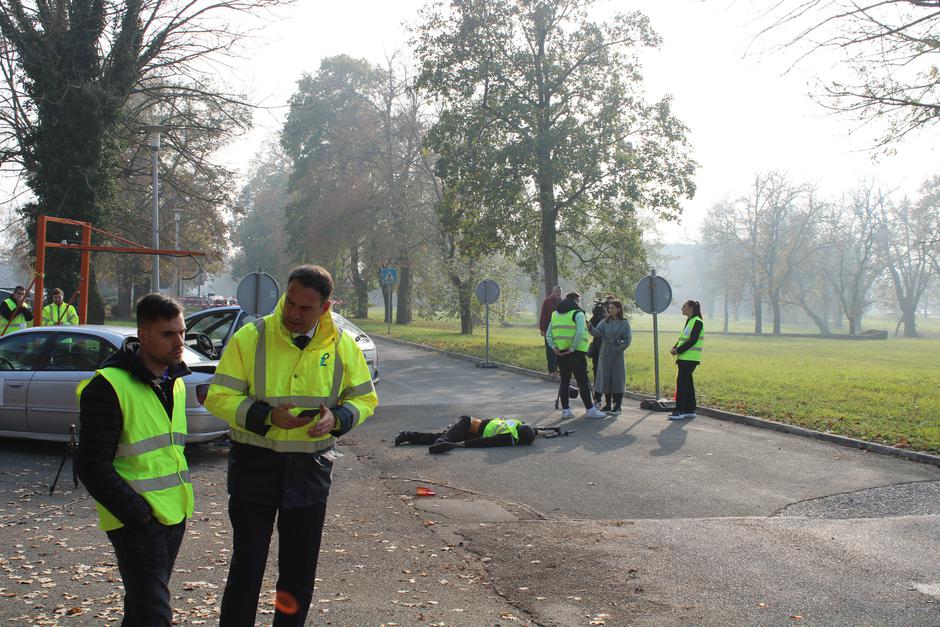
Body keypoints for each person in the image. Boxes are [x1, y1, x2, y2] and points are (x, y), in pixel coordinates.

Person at [204, 264, 378, 627]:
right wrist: (268, 417)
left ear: (326, 308)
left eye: (305, 308)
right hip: (254, 468)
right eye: (290, 303)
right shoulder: (251, 338)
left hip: (309, 473)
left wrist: (338, 419)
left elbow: (365, 400)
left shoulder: (343, 346)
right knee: (246, 570)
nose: (294, 314)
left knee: (297, 578)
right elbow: (219, 397)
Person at [75, 294, 194, 626]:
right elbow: (90, 466)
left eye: (182, 332)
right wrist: (140, 517)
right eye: (168, 334)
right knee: (155, 613)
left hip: (173, 514)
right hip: (137, 522)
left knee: (143, 609)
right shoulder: (108, 387)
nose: (179, 342)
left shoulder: (174, 382)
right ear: (142, 335)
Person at [546, 291, 607, 419]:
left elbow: (548, 334)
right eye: (579, 301)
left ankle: (566, 411)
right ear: (575, 301)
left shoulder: (555, 314)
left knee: (564, 381)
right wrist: (572, 348)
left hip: (561, 353)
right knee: (583, 382)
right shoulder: (578, 314)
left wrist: (554, 347)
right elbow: (579, 333)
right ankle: (590, 409)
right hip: (576, 353)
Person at [394, 415, 537, 453]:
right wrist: (460, 445)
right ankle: (439, 444)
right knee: (442, 438)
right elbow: (486, 442)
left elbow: (485, 442)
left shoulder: (515, 425)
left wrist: (460, 444)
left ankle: (406, 435)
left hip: (469, 429)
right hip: (466, 425)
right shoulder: (511, 435)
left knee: (437, 437)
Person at [588, 299, 632, 415]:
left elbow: (627, 340)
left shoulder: (624, 323)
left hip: (617, 354)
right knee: (605, 378)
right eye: (609, 308)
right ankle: (607, 404)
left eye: (613, 308)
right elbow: (596, 333)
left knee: (617, 378)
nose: (610, 310)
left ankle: (617, 405)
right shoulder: (604, 322)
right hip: (605, 353)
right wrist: (590, 327)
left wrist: (618, 349)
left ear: (618, 309)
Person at [669, 299, 704, 420]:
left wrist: (678, 350)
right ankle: (690, 409)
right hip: (684, 358)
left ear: (690, 308)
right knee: (687, 384)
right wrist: (675, 347)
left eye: (683, 306)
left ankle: (679, 410)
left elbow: (693, 340)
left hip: (690, 359)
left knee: (682, 384)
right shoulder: (689, 320)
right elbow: (684, 338)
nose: (681, 308)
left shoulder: (697, 322)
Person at [587, 293, 616, 405]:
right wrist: (596, 314)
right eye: (607, 304)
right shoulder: (599, 314)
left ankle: (611, 400)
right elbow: (592, 328)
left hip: (609, 350)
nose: (608, 307)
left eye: (610, 304)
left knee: (610, 375)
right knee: (598, 375)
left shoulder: (616, 318)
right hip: (598, 349)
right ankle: (598, 398)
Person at [539, 286, 562, 376]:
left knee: (558, 349)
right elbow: (543, 315)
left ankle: (556, 369)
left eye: (559, 291)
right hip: (548, 329)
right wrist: (542, 329)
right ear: (553, 292)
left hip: (559, 330)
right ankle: (551, 370)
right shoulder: (547, 301)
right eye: (556, 291)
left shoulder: (562, 302)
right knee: (549, 350)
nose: (558, 293)